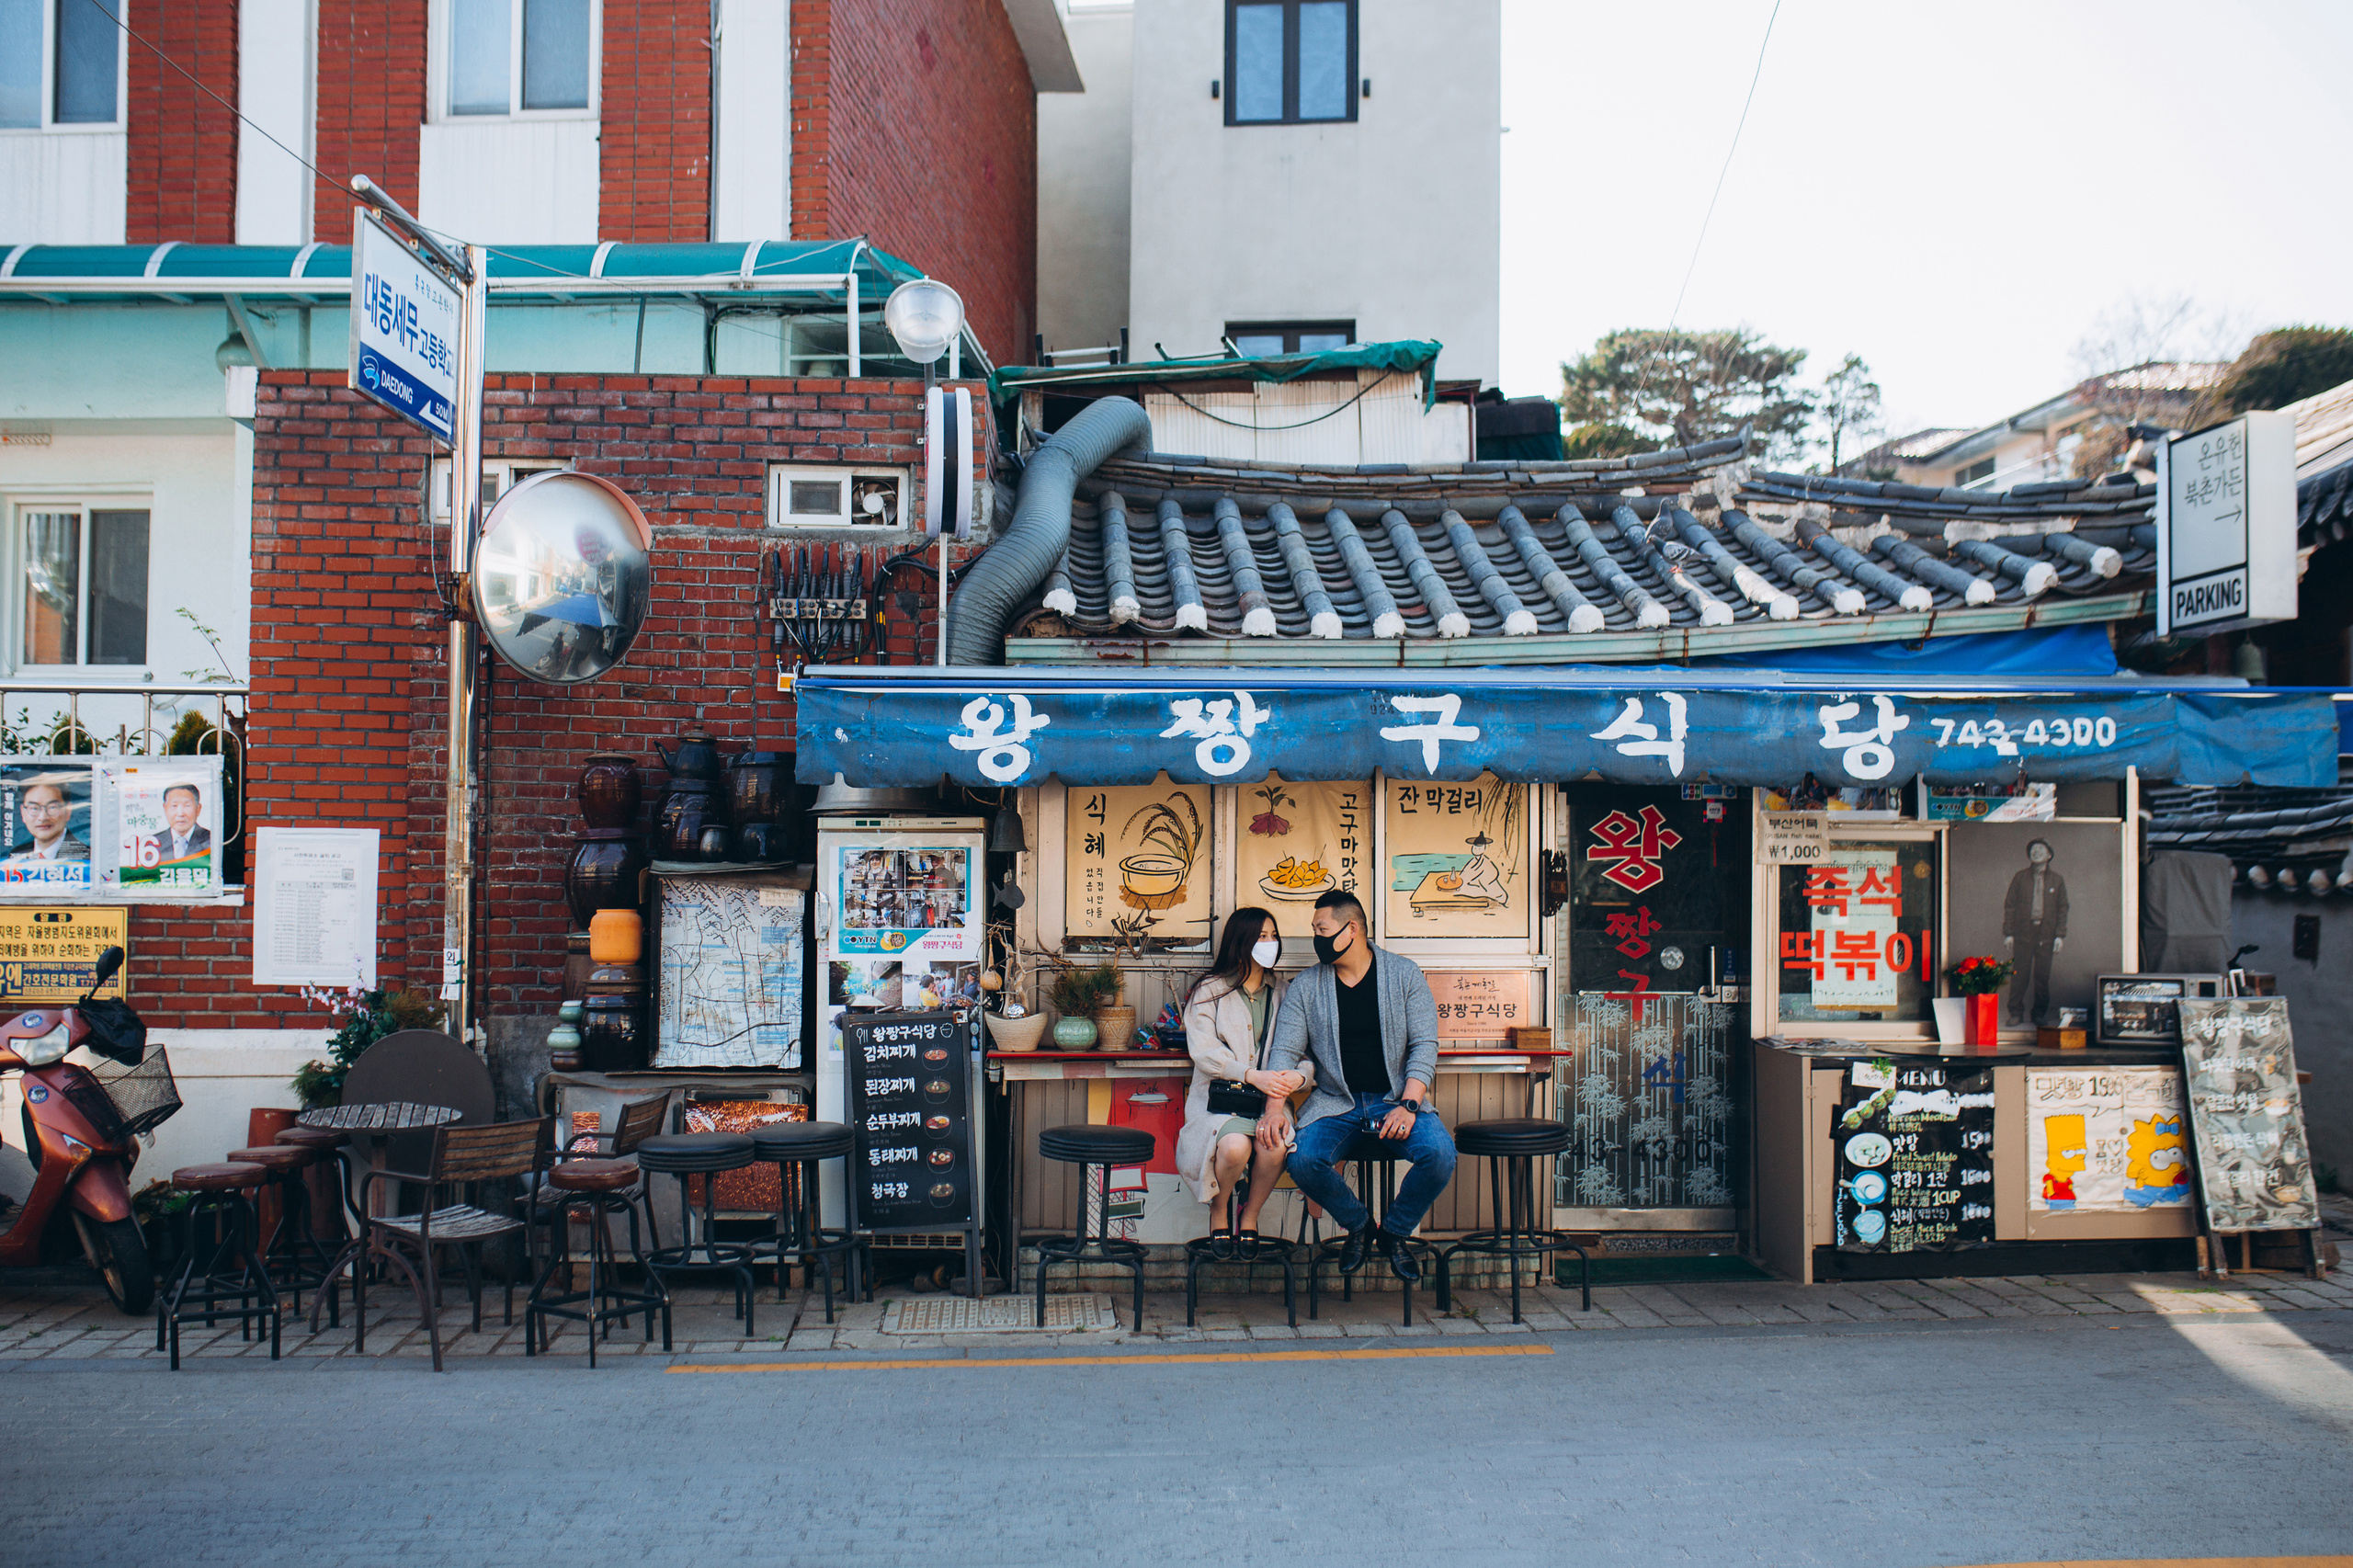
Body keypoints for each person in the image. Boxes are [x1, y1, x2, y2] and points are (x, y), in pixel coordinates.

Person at [1261, 890, 1456, 1281]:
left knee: (1440, 1155)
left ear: (1352, 929)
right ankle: (1361, 1227)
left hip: (1396, 1100)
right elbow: (1283, 1051)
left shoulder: (1404, 974)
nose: (1316, 937)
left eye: (1322, 929)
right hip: (1336, 1103)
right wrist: (1272, 1109)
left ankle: (1395, 1233)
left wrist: (1410, 1104)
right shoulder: (1306, 986)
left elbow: (1424, 1045)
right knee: (1301, 1159)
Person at [1175, 908, 1308, 1259]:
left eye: (1273, 935)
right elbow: (1203, 1052)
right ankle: (1219, 1212)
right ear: (1240, 942)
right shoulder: (1209, 990)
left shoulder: (1285, 992)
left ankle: (1248, 1215)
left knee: (1275, 1144)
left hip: (1270, 1104)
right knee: (1235, 1148)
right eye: (1261, 936)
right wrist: (1250, 1074)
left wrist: (1299, 1076)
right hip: (1220, 1103)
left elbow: (1309, 1052)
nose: (1269, 943)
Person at [2002, 837, 2068, 1025]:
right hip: (2023, 931)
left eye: (2041, 849)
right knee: (2019, 974)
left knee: (2042, 976)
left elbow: (2063, 908)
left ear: (2049, 855)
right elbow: (2010, 906)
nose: (2036, 851)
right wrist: (2009, 933)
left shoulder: (2057, 880)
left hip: (2046, 933)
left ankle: (2039, 1013)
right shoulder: (2020, 877)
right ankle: (2015, 1013)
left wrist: (2059, 935)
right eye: (2033, 849)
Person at [11, 781, 87, 864]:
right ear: (23, 813)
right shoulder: (16, 855)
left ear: (68, 811)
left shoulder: (86, 857)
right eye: (34, 808)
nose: (43, 817)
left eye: (52, 807)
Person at [144, 782, 210, 866]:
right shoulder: (153, 843)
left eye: (187, 805)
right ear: (165, 808)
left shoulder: (210, 839)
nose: (180, 814)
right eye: (174, 806)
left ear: (198, 809)